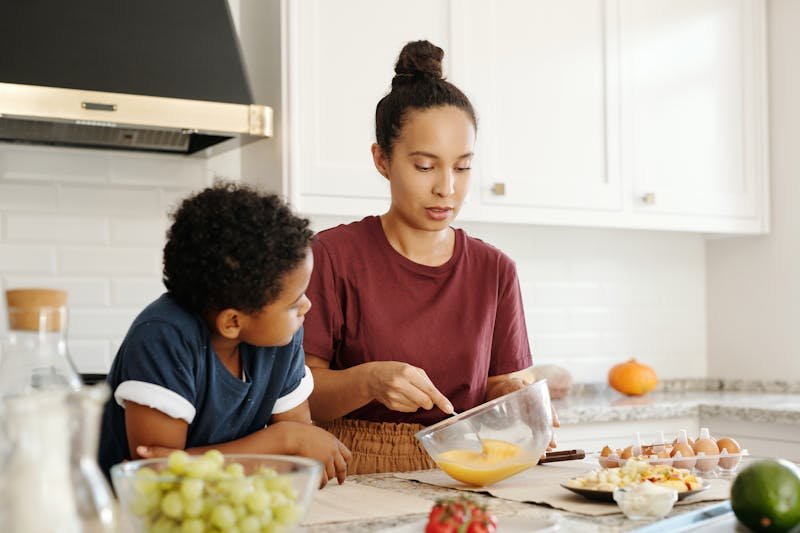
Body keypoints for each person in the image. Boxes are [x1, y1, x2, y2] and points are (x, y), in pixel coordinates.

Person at [302, 40, 557, 474]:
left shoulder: (495, 270)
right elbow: (299, 394)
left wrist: (518, 397)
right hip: (354, 468)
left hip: (467, 467)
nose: (447, 188)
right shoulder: (329, 256)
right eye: (424, 166)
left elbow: (497, 386)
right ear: (382, 160)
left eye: (462, 167)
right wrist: (368, 380)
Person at [98, 183, 351, 487]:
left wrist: (292, 443)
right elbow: (156, 473)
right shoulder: (163, 338)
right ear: (232, 322)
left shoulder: (281, 335)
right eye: (293, 302)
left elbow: (300, 455)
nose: (306, 306)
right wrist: (283, 439)